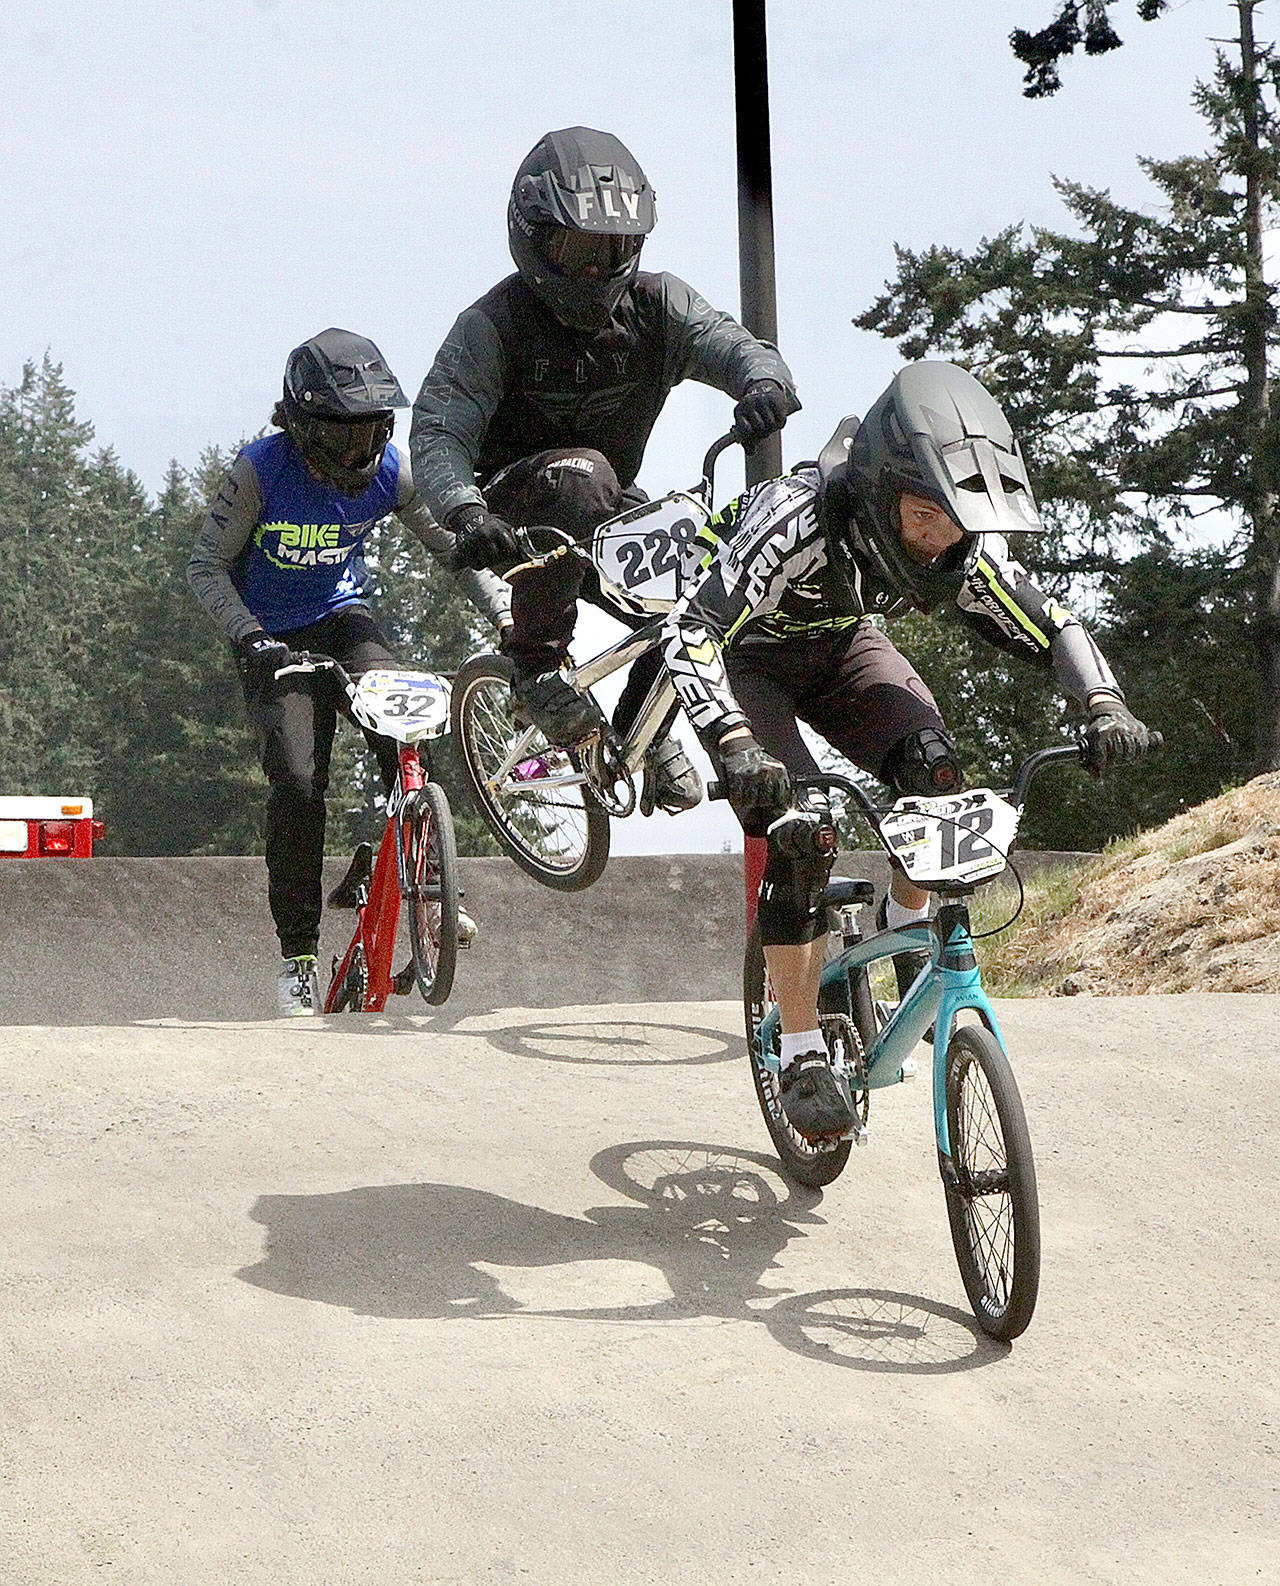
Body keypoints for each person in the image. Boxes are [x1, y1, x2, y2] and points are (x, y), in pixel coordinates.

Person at [662, 361, 1155, 1140]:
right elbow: (689, 632)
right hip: (750, 662)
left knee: (936, 774)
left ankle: (903, 930)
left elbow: (1053, 623)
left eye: (954, 524)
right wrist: (733, 744)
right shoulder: (796, 519)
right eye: (925, 519)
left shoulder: (956, 542)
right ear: (879, 489)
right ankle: (798, 1048)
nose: (940, 543)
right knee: (803, 832)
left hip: (844, 650)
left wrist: (1103, 704)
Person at [409, 125, 800, 816]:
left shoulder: (659, 306)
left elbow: (734, 345)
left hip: (608, 504)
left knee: (705, 587)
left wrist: (762, 383)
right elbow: (440, 429)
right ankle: (533, 664)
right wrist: (465, 512)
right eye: (580, 248)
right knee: (580, 475)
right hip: (510, 512)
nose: (596, 268)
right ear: (532, 234)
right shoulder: (492, 325)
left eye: (613, 249)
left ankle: (640, 736)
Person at [188, 328, 509, 1016]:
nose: (358, 452)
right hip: (271, 636)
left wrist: (506, 616)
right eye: (341, 437)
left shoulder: (393, 472)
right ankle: (298, 955)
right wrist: (250, 639)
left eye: (370, 433)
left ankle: (431, 885)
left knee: (406, 727)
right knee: (300, 783)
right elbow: (205, 566)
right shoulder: (259, 471)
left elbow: (457, 551)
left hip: (343, 617)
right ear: (302, 428)